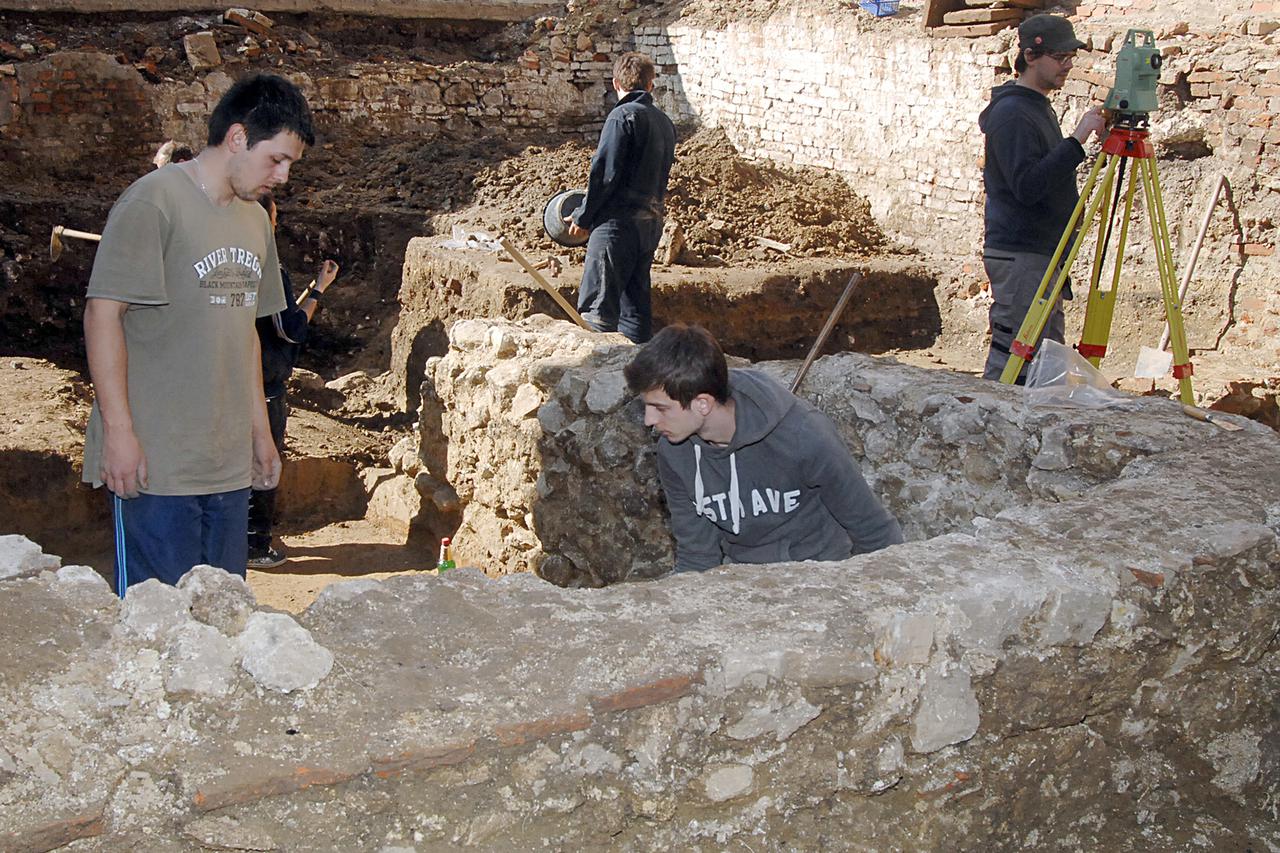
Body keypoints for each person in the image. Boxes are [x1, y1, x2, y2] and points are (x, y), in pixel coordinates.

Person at [82, 74, 315, 593]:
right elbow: (103, 316)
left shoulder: (255, 222)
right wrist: (119, 434)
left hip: (226, 462)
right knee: (156, 624)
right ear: (237, 138)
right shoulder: (153, 202)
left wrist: (260, 434)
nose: (282, 175)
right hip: (156, 462)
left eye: (290, 165)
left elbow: (245, 335)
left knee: (221, 617)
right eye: (275, 159)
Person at [623, 324, 904, 574]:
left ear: (703, 403)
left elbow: (876, 533)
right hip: (744, 584)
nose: (649, 421)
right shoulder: (675, 452)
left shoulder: (803, 434)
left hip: (819, 579)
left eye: (660, 408)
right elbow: (697, 557)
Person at [979, 14, 1106, 382]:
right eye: (1060, 57)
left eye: (1071, 58)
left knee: (1044, 364)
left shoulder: (1035, 107)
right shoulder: (1012, 113)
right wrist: (1077, 140)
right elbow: (1028, 185)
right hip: (1022, 255)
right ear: (1031, 56)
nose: (1067, 66)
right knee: (1016, 363)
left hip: (1041, 255)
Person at [247, 192, 341, 569]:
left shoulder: (230, 264)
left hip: (226, 381)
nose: (276, 224)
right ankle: (254, 546)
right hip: (264, 385)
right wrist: (318, 290)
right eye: (273, 217)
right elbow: (288, 329)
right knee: (263, 464)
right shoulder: (269, 269)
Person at [564, 51, 676, 344]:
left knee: (598, 310)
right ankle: (636, 381)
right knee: (635, 311)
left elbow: (604, 174)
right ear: (650, 85)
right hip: (650, 226)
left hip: (618, 227)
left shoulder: (621, 116)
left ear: (616, 83)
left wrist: (584, 217)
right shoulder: (664, 122)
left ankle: (593, 378)